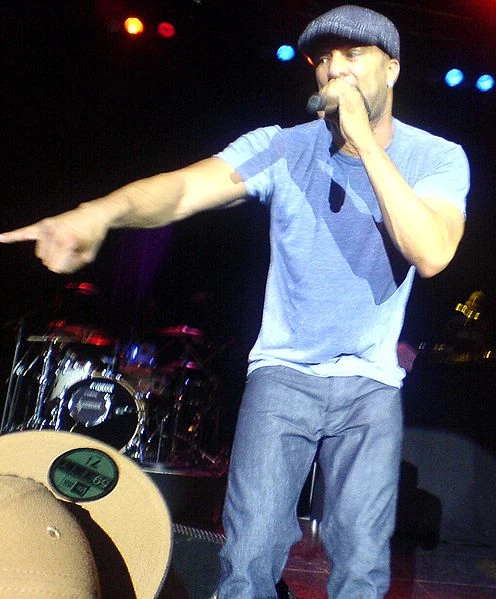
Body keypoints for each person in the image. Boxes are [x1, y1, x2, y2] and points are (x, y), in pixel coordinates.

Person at [0, 4, 470, 598]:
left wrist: (366, 149)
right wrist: (99, 213)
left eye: (353, 55)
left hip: (371, 384)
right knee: (247, 559)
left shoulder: (438, 158)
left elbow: (431, 252)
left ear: (392, 69)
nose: (334, 71)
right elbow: (181, 189)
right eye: (323, 59)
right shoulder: (281, 147)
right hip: (283, 375)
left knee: (361, 566)